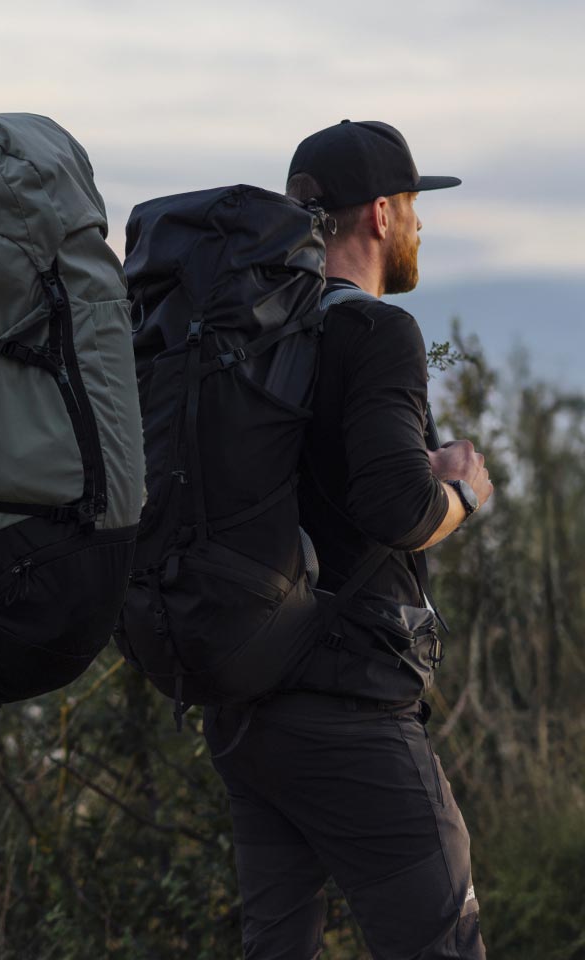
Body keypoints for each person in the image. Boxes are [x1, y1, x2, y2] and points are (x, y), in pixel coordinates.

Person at [203, 120, 493, 958]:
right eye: (411, 207)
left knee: (279, 944)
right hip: (349, 706)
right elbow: (397, 509)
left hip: (246, 697)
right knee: (441, 941)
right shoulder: (374, 331)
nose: (418, 226)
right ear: (378, 214)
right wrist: (462, 492)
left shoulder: (249, 333)